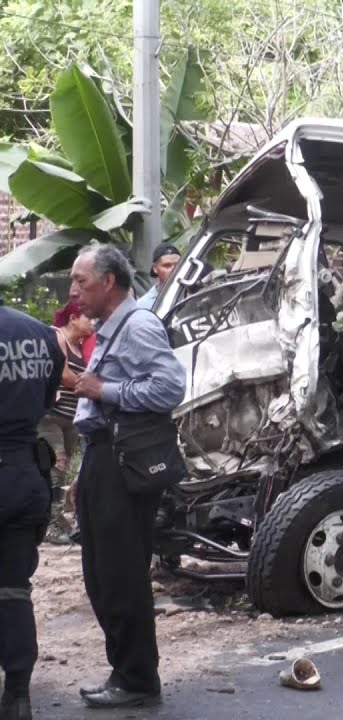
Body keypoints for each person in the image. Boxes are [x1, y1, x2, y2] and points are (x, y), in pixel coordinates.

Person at [68, 244, 186, 709]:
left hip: (125, 468)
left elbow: (171, 386)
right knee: (101, 573)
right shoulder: (110, 328)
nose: (73, 290)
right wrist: (84, 471)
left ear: (109, 283)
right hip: (104, 461)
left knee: (121, 574)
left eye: (82, 281)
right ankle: (126, 670)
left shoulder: (138, 326)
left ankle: (137, 678)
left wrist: (106, 389)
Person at [0, 298, 65, 720]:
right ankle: (18, 695)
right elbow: (48, 398)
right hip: (25, 473)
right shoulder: (41, 334)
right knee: (13, 587)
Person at [38, 303, 92, 478]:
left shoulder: (82, 346)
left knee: (66, 469)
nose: (93, 322)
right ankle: (51, 504)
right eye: (88, 318)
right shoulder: (57, 335)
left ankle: (61, 504)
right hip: (53, 415)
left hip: (72, 417)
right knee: (57, 464)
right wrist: (93, 387)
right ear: (73, 319)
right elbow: (65, 375)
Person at [134, 243, 181, 312]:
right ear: (155, 268)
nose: (173, 269)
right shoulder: (143, 306)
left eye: (178, 264)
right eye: (167, 266)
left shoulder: (191, 292)